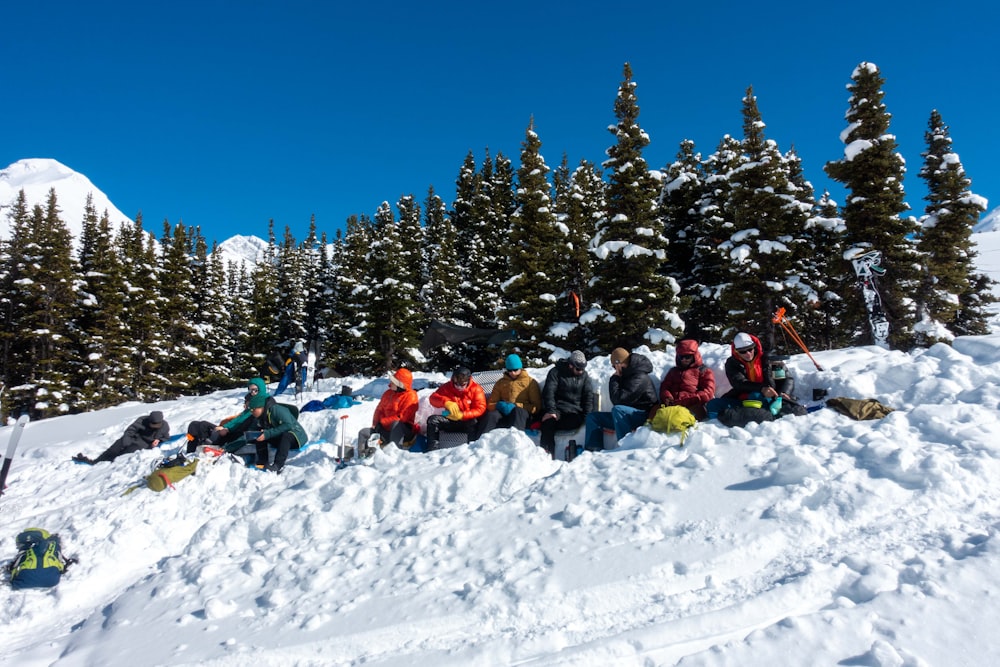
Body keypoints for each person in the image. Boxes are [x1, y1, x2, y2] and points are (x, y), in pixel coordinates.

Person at [706, 332, 796, 419]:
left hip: (769, 398)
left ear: (754, 347)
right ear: (736, 351)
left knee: (756, 397)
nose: (748, 354)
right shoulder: (732, 363)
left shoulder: (767, 359)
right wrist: (762, 389)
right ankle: (762, 414)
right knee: (713, 404)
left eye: (750, 349)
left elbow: (786, 378)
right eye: (742, 351)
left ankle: (742, 416)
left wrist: (784, 393)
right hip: (742, 398)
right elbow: (739, 383)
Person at [583, 348, 658, 451]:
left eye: (614, 366)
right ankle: (593, 450)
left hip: (643, 415)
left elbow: (619, 400)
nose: (614, 369)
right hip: (626, 415)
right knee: (593, 417)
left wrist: (615, 378)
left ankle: (624, 447)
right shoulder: (627, 374)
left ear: (620, 363)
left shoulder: (639, 376)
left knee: (618, 410)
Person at [230, 393, 308, 473]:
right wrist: (229, 447)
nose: (252, 412)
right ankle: (262, 462)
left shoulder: (277, 410)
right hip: (279, 437)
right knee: (259, 436)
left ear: (261, 407)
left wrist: (268, 433)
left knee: (286, 436)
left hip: (296, 436)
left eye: (253, 410)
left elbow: (288, 425)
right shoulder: (259, 417)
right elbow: (250, 432)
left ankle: (278, 465)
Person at [539, 350, 596, 458]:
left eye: (583, 369)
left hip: (574, 411)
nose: (581, 371)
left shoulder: (584, 376)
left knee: (574, 421)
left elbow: (588, 396)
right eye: (578, 369)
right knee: (547, 423)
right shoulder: (556, 372)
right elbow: (549, 392)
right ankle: (546, 455)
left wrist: (587, 416)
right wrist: (551, 411)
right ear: (570, 365)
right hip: (558, 409)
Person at [424, 367, 487, 452]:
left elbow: (480, 408)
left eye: (462, 385)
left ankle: (471, 450)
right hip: (449, 417)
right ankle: (432, 449)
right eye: (456, 384)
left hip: (466, 420)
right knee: (433, 420)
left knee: (474, 421)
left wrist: (463, 415)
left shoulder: (476, 389)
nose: (459, 387)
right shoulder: (447, 387)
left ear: (468, 381)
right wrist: (445, 402)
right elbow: (432, 398)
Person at [73, 411, 170, 464]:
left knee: (125, 453)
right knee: (116, 447)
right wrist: (126, 441)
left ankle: (111, 463)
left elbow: (166, 437)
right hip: (133, 438)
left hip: (143, 444)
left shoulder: (164, 426)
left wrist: (158, 440)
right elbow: (130, 430)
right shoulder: (142, 420)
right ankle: (97, 461)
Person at [357, 368, 419, 451]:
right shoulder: (388, 393)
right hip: (385, 429)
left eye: (393, 381)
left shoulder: (411, 396)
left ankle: (394, 453)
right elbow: (379, 410)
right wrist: (375, 424)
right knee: (363, 433)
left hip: (403, 431)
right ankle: (363, 458)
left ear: (400, 384)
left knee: (396, 424)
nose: (390, 383)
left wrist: (382, 422)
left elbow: (402, 418)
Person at [481, 354, 543, 434]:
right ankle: (481, 440)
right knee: (492, 415)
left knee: (517, 411)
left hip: (523, 415)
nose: (512, 373)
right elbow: (490, 404)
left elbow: (536, 407)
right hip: (505, 414)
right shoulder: (500, 383)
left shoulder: (530, 383)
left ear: (520, 368)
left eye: (515, 370)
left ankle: (516, 439)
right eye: (509, 370)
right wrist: (498, 405)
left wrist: (516, 406)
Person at [658, 339, 716, 421]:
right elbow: (665, 386)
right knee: (654, 414)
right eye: (681, 357)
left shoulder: (704, 371)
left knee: (677, 419)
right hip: (671, 404)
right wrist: (667, 397)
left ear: (695, 356)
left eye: (687, 357)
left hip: (692, 405)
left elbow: (708, 392)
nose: (683, 360)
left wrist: (686, 400)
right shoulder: (673, 371)